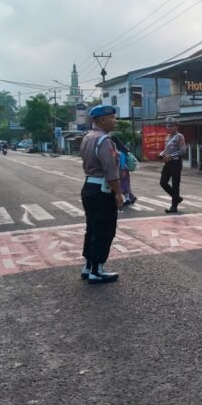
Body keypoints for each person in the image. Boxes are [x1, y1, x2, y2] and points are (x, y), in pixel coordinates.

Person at [79, 105, 125, 284]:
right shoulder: (104, 140)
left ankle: (88, 266)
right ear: (101, 120)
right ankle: (97, 271)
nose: (114, 121)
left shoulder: (88, 137)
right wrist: (119, 193)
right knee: (105, 229)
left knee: (92, 228)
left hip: (89, 186)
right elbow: (110, 171)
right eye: (112, 118)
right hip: (102, 190)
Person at [159, 117, 186, 214]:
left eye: (171, 126)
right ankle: (177, 198)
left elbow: (183, 150)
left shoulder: (179, 137)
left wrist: (171, 155)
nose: (169, 127)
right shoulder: (167, 137)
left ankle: (174, 206)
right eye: (167, 125)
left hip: (176, 162)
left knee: (175, 184)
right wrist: (162, 154)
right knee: (163, 182)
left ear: (176, 127)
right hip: (168, 163)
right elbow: (166, 150)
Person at [111, 135, 137, 207]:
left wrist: (122, 170)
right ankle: (131, 197)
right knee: (125, 184)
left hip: (122, 170)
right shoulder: (123, 150)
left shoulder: (120, 152)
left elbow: (122, 162)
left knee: (122, 185)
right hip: (124, 170)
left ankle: (128, 199)